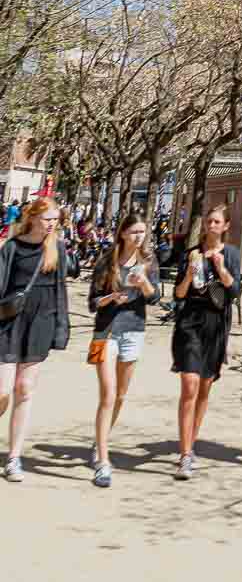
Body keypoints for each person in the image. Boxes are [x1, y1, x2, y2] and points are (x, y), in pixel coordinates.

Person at [87, 214, 161, 488]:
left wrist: (143, 284)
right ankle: (103, 461)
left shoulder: (148, 261)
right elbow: (92, 303)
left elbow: (155, 298)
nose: (139, 236)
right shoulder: (107, 260)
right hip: (104, 333)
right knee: (107, 394)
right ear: (122, 233)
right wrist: (110, 298)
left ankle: (100, 440)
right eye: (133, 232)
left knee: (120, 395)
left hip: (134, 331)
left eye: (142, 231)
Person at [0, 197, 71, 482]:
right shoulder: (13, 247)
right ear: (32, 217)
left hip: (41, 322)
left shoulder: (57, 249)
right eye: (47, 219)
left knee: (25, 388)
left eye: (55, 219)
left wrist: (60, 327)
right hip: (10, 322)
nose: (51, 224)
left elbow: (61, 290)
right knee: (3, 390)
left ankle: (14, 457)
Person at [171, 202, 241, 480]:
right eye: (208, 221)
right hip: (190, 322)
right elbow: (178, 294)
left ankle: (191, 442)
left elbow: (234, 292)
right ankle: (185, 455)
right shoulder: (191, 255)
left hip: (215, 326)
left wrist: (221, 268)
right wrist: (189, 274)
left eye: (216, 222)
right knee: (189, 384)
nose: (211, 226)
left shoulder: (231, 254)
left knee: (203, 389)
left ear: (225, 227)